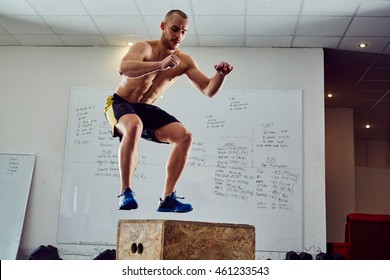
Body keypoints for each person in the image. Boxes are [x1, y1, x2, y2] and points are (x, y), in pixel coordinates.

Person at [104, 9, 233, 213]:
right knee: (134, 125)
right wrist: (160, 65)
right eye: (174, 29)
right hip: (120, 103)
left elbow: (208, 90)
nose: (178, 36)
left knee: (185, 136)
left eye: (183, 32)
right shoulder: (144, 48)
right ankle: (126, 192)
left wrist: (220, 76)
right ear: (163, 27)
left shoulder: (185, 61)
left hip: (146, 108)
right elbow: (124, 68)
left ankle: (167, 198)